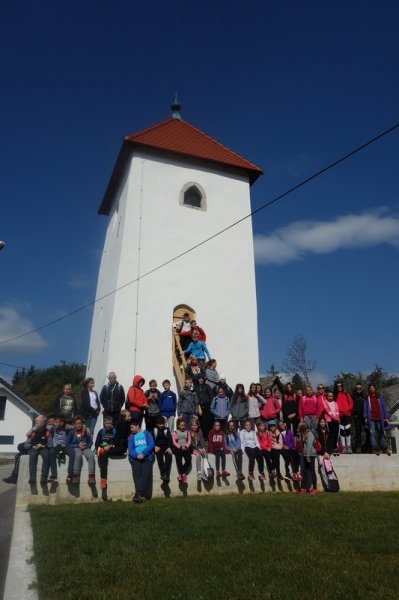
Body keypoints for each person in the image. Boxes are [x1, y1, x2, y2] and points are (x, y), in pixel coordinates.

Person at [128, 419, 155, 503]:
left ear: (137, 426)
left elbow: (151, 444)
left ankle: (138, 494)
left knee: (145, 475)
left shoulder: (147, 433)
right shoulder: (131, 437)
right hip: (135, 458)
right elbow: (131, 449)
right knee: (137, 476)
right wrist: (137, 455)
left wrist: (143, 453)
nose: (131, 429)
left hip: (147, 457)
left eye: (132, 427)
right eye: (130, 428)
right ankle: (139, 495)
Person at [67, 415, 96, 485]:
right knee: (78, 455)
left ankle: (91, 476)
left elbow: (91, 442)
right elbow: (68, 443)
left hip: (85, 447)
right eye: (77, 424)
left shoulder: (85, 431)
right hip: (76, 447)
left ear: (82, 424)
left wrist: (86, 445)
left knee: (91, 455)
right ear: (74, 424)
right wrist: (78, 445)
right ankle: (76, 475)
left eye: (80, 423)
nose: (78, 425)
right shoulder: (71, 432)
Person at [363, 384, 391, 455]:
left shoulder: (379, 397)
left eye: (373, 388)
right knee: (372, 434)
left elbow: (384, 407)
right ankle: (374, 449)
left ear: (375, 389)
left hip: (380, 418)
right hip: (371, 418)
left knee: (382, 433)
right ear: (369, 389)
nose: (372, 389)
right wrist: (365, 417)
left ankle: (384, 449)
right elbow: (365, 408)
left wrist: (386, 417)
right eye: (370, 388)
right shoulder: (367, 398)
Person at [48, 416, 75, 483]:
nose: (54, 424)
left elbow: (75, 427)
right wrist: (31, 430)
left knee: (72, 454)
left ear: (62, 423)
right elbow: (42, 426)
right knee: (51, 453)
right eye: (54, 422)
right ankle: (54, 476)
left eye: (57, 422)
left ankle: (70, 475)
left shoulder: (66, 427)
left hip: (65, 446)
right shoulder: (53, 427)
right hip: (56, 446)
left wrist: (85, 428)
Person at [95, 416, 118, 489]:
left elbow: (117, 442)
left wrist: (110, 446)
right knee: (103, 456)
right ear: (104, 424)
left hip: (112, 449)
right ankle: (103, 479)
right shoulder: (101, 431)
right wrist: (103, 447)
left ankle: (103, 478)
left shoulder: (115, 431)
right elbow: (97, 443)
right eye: (106, 423)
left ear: (112, 424)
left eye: (109, 423)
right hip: (103, 449)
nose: (108, 425)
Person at [28, 415, 51, 484]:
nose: (35, 424)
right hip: (33, 448)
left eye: (37, 423)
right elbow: (26, 444)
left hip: (43, 448)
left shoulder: (47, 432)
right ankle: (32, 478)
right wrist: (32, 446)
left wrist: (43, 445)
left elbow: (50, 443)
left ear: (42, 423)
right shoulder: (32, 432)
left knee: (46, 456)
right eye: (35, 423)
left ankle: (43, 477)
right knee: (32, 455)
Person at [298, 421, 318, 495]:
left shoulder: (309, 434)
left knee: (312, 471)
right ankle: (303, 488)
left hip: (310, 455)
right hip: (306, 455)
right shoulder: (304, 434)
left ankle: (315, 488)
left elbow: (309, 446)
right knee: (304, 472)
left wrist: (308, 456)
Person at [334, 381, 353, 454]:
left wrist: (347, 409)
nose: (339, 387)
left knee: (347, 430)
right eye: (338, 386)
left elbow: (351, 403)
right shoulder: (335, 395)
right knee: (341, 431)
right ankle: (343, 447)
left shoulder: (346, 394)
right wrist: (338, 411)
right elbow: (334, 404)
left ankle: (349, 446)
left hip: (347, 414)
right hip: (340, 415)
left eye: (340, 386)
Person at [153, 416, 173, 482]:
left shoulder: (167, 430)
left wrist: (169, 447)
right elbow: (151, 440)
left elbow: (170, 439)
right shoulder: (154, 430)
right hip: (158, 447)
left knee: (169, 457)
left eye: (162, 424)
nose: (161, 425)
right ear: (156, 424)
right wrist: (155, 446)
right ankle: (164, 474)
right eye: (159, 424)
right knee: (159, 458)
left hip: (166, 447)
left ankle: (166, 475)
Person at [319, 390, 340, 455]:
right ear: (327, 396)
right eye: (329, 396)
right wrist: (334, 417)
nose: (330, 397)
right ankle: (330, 448)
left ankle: (335, 448)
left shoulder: (335, 403)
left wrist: (337, 416)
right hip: (329, 420)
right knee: (330, 434)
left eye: (331, 396)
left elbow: (337, 410)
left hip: (336, 420)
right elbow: (328, 410)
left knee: (336, 434)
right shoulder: (325, 402)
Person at [172, 417, 192, 483]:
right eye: (182, 425)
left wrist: (186, 447)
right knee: (178, 458)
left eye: (184, 425)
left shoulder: (187, 432)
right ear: (178, 426)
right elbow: (174, 442)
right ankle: (183, 475)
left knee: (189, 459)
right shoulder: (175, 432)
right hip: (178, 448)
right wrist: (180, 447)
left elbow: (189, 441)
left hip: (186, 448)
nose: (183, 427)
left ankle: (181, 474)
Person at [194, 375, 214, 439]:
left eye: (202, 379)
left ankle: (209, 437)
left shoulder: (207, 386)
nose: (201, 380)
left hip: (207, 407)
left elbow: (211, 396)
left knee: (209, 422)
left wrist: (211, 404)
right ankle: (205, 437)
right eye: (199, 379)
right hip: (200, 407)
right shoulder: (196, 387)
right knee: (202, 423)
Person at [351, 382, 366, 453]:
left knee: (368, 431)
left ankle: (368, 446)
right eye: (357, 388)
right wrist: (353, 413)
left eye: (360, 388)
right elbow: (350, 406)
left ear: (362, 388)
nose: (358, 389)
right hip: (356, 416)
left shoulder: (365, 396)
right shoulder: (352, 396)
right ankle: (358, 447)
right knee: (358, 432)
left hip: (365, 417)